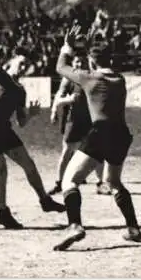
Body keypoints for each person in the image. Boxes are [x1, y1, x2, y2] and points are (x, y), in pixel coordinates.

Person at [53, 26, 141, 251]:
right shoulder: (120, 80)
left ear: (91, 61)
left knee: (69, 181)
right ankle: (133, 228)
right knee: (114, 182)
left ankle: (75, 225)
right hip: (121, 134)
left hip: (100, 132)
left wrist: (68, 46)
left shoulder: (88, 78)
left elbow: (60, 67)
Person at [0, 31, 66, 230]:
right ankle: (3, 213)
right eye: (20, 62)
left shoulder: (21, 90)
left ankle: (45, 201)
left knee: (29, 164)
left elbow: (21, 122)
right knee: (1, 171)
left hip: (4, 129)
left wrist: (32, 113)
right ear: (10, 63)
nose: (23, 66)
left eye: (25, 65)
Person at [48, 54, 110, 196]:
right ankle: (59, 182)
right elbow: (59, 96)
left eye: (82, 62)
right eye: (77, 62)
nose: (79, 65)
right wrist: (56, 109)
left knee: (96, 151)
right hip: (73, 119)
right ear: (72, 63)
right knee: (67, 151)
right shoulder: (69, 78)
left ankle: (101, 183)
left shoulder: (90, 77)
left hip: (90, 119)